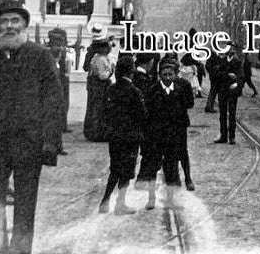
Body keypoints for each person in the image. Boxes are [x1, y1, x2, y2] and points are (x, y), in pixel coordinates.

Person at [0, 1, 63, 254]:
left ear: (25, 25)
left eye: (15, 21)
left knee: (25, 204)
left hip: (28, 143)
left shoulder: (40, 56)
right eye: (4, 22)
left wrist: (50, 140)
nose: (9, 27)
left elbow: (54, 100)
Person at [140, 57, 196, 208]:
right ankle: (151, 198)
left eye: (170, 74)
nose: (167, 78)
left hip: (176, 130)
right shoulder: (152, 90)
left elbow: (190, 103)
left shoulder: (182, 87)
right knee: (153, 166)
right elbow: (147, 112)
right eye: (164, 75)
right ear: (159, 75)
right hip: (157, 134)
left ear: (175, 74)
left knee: (173, 164)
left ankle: (173, 197)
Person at [99, 55, 147, 214]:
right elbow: (143, 115)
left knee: (114, 169)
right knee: (126, 171)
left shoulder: (111, 89)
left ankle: (105, 202)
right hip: (130, 137)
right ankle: (120, 204)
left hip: (115, 136)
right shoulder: (135, 91)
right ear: (132, 72)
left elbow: (105, 112)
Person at [83, 24, 114, 142]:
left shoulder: (98, 57)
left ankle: (95, 131)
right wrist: (111, 70)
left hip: (96, 84)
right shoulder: (100, 59)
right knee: (97, 109)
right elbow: (102, 75)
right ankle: (96, 132)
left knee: (95, 108)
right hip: (99, 85)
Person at [214, 38, 247, 144]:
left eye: (234, 48)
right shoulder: (221, 61)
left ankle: (232, 137)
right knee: (222, 114)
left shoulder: (237, 62)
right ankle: (223, 136)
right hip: (223, 90)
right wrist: (228, 75)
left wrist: (236, 84)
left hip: (232, 91)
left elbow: (242, 77)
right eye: (230, 48)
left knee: (232, 114)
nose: (232, 50)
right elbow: (216, 74)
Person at [46, 28, 73, 138]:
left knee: (61, 103)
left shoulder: (49, 51)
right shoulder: (61, 51)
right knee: (62, 102)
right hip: (61, 78)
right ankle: (62, 125)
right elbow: (66, 69)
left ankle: (61, 124)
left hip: (57, 78)